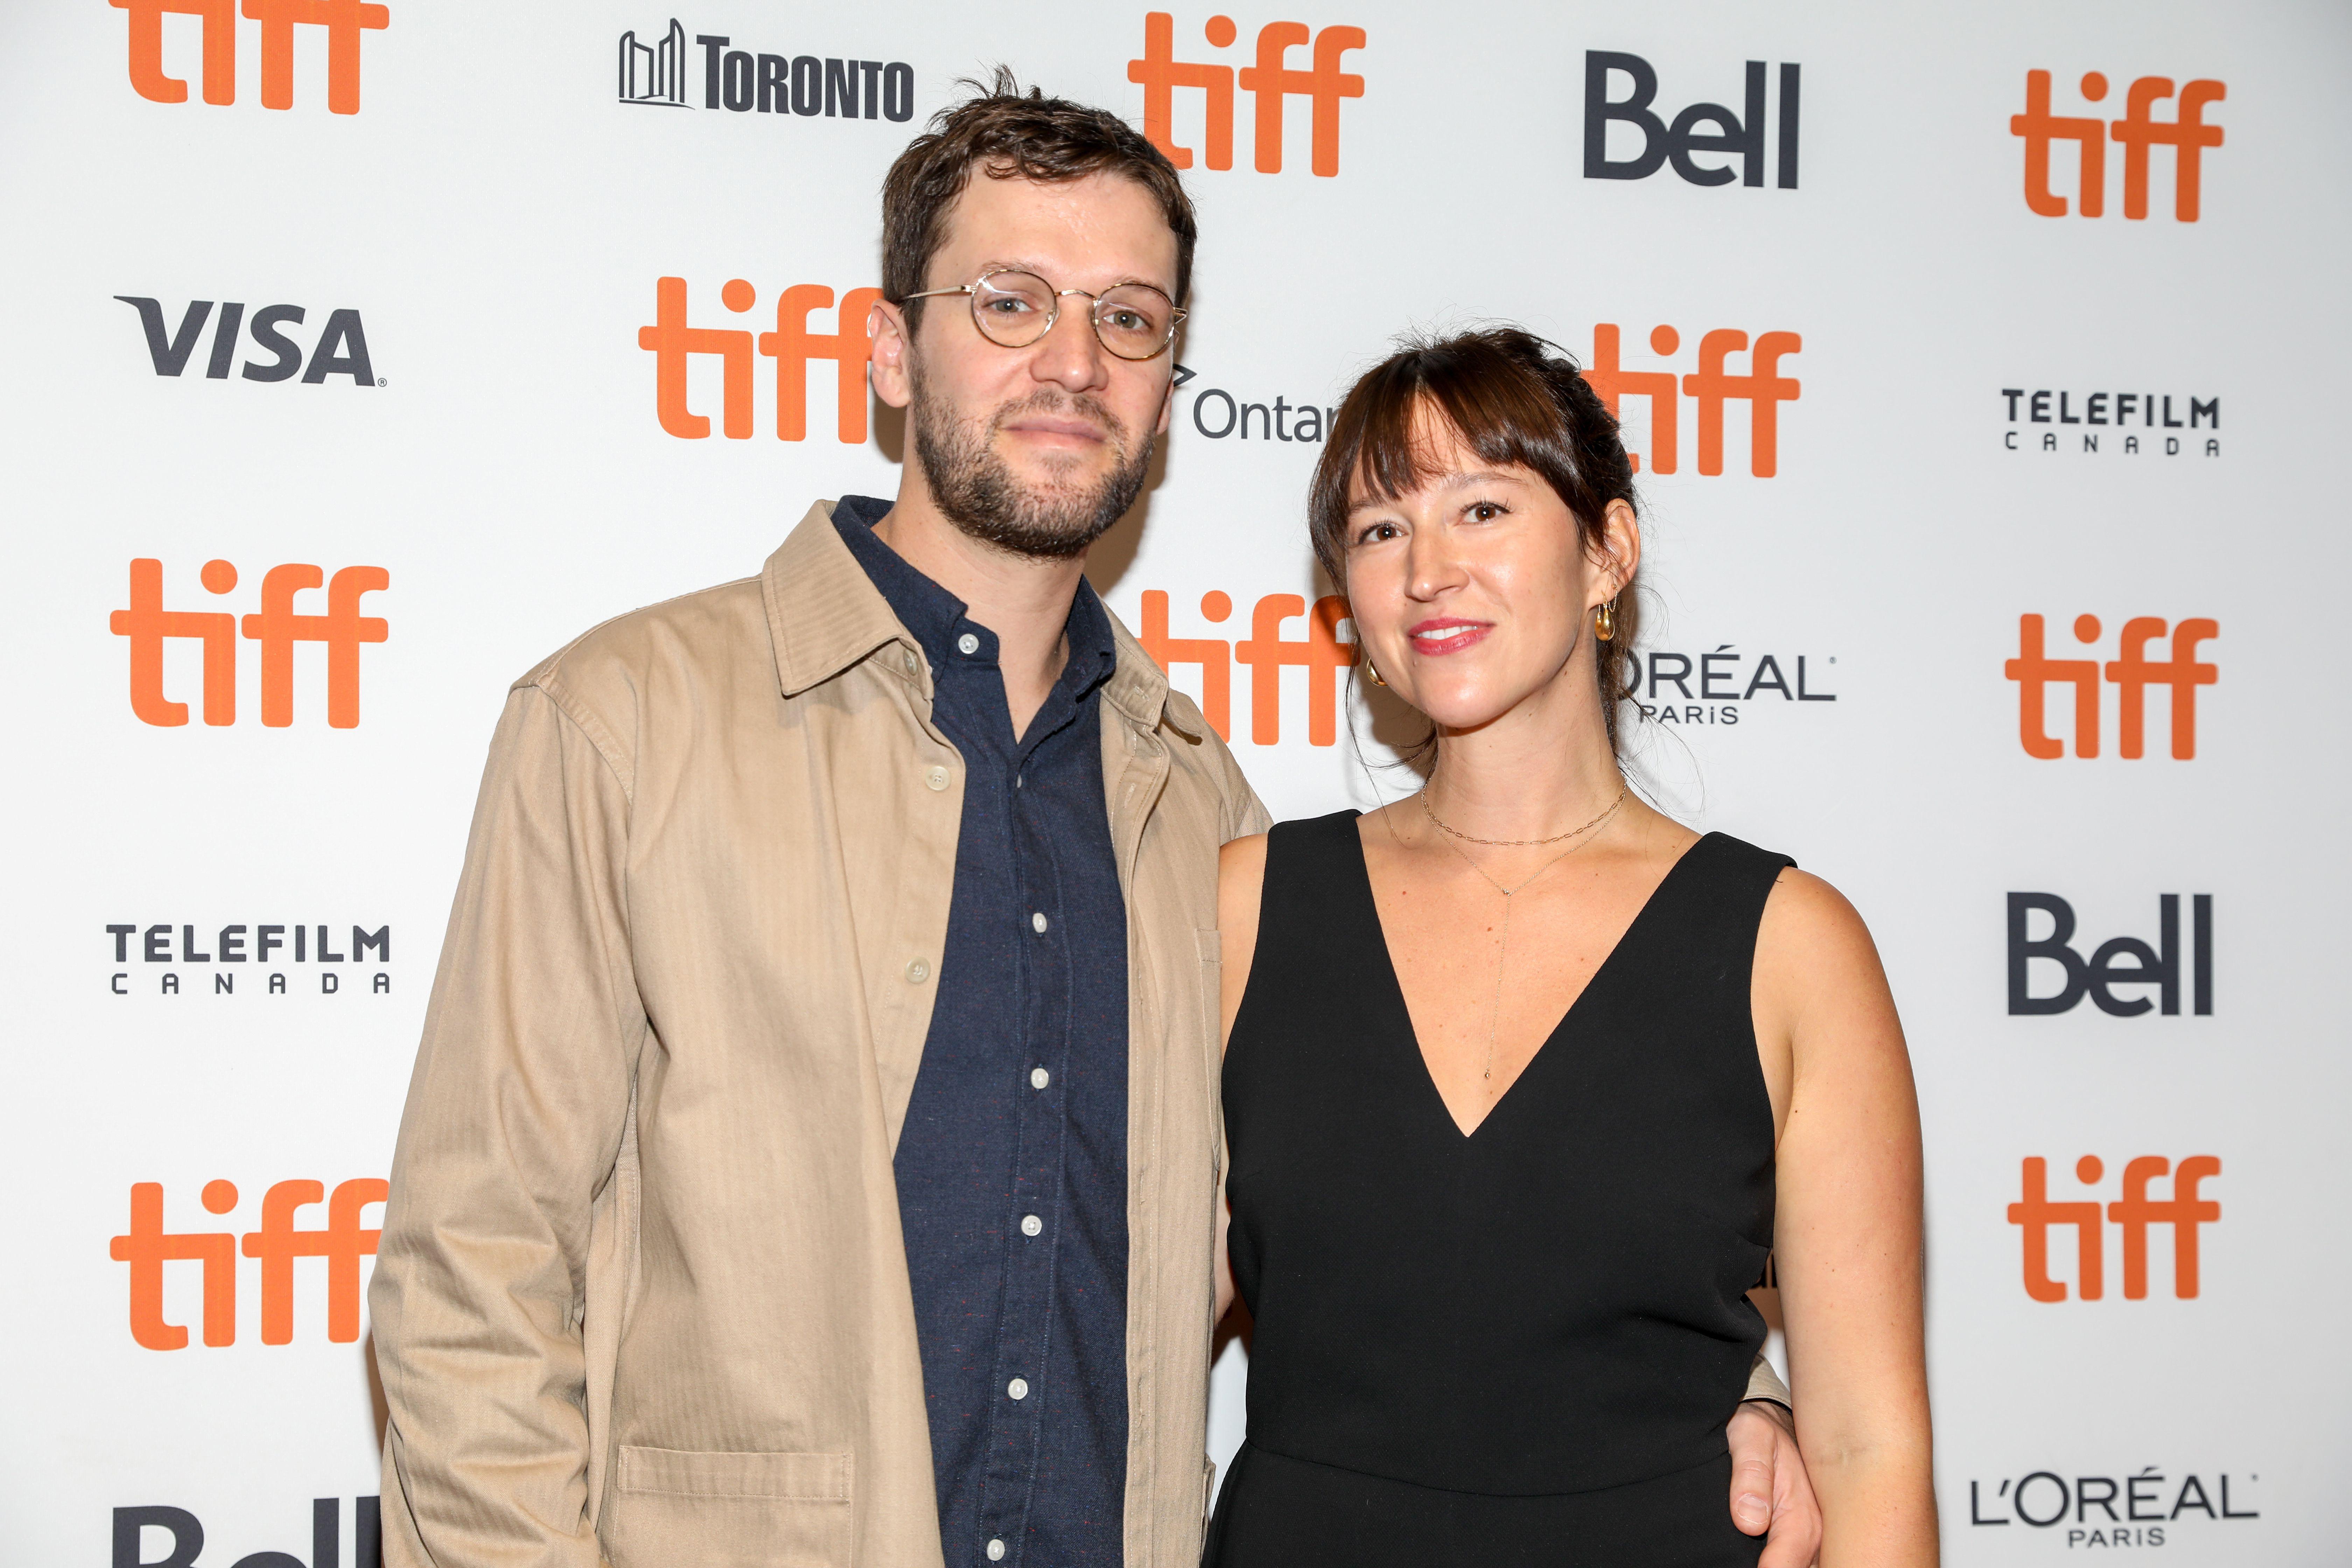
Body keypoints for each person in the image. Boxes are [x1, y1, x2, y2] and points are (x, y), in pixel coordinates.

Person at [366, 78, 1825, 1568]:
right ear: (888, 348)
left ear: (1167, 385)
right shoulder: (627, 722)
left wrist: (1728, 1392)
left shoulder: (1206, 818)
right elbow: (471, 1275)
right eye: (1011, 301)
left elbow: (1421, 1224)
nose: (1074, 361)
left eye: (1129, 320)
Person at [1208, 329, 1935, 1567]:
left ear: (1609, 551)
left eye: (1481, 508)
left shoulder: (1791, 946)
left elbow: (1870, 1452)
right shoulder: (1245, 907)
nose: (1427, 570)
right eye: (1380, 530)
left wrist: (1763, 1401)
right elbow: (1122, 1331)